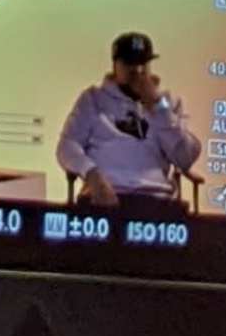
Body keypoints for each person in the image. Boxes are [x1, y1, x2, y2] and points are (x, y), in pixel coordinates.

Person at [55, 30, 203, 212]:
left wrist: (158, 107)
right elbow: (67, 146)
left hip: (155, 199)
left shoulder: (168, 102)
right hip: (105, 195)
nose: (138, 71)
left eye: (143, 63)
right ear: (115, 65)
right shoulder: (93, 98)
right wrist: (92, 174)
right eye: (129, 63)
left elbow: (185, 158)